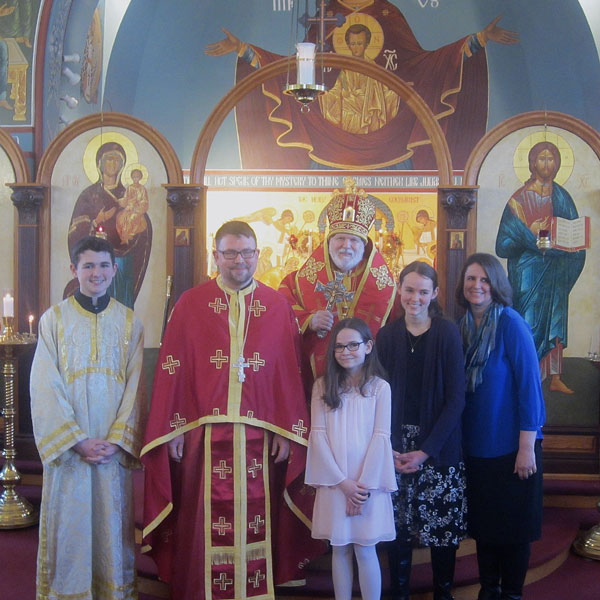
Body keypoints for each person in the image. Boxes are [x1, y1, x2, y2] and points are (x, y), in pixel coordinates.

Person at [141, 221, 323, 600]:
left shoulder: (277, 306)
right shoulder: (189, 304)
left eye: (246, 253)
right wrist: (172, 430)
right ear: (215, 256)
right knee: (201, 521)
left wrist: (287, 431)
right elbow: (172, 368)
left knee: (258, 520)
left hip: (260, 439)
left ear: (257, 256)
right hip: (201, 437)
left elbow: (288, 375)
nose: (238, 261)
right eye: (229, 253)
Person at [206, 1, 518, 170]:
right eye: (351, 41)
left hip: (388, 139)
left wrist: (477, 40)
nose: (354, 46)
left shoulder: (388, 13)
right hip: (329, 136)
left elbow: (422, 63)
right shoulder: (326, 14)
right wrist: (245, 50)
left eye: (360, 42)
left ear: (369, 42)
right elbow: (299, 68)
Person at [30, 235, 145, 600]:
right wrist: (76, 441)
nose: (96, 272)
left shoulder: (130, 324)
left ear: (115, 269)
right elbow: (46, 385)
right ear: (74, 270)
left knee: (110, 528)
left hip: (110, 451)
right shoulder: (54, 320)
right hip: (71, 453)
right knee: (71, 527)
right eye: (88, 265)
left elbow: (136, 387)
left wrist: (115, 440)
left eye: (103, 265)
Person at [455, 253, 545, 600]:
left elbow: (530, 389)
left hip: (514, 447)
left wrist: (526, 448)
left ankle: (511, 594)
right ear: (462, 286)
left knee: (514, 528)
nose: (477, 286)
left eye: (485, 280)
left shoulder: (510, 323)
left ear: (497, 285)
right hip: (477, 448)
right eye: (471, 279)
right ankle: (488, 590)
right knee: (487, 527)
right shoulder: (461, 327)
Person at [377, 261, 466, 600]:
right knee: (397, 529)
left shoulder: (447, 333)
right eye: (409, 290)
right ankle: (399, 593)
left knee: (442, 530)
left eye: (423, 292)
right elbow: (378, 395)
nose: (415, 298)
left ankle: (443, 593)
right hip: (395, 447)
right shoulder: (386, 336)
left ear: (435, 294)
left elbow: (456, 399)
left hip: (439, 447)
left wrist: (426, 450)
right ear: (400, 290)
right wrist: (391, 447)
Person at [306, 317, 397, 600]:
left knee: (365, 549)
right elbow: (318, 437)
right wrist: (343, 483)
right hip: (336, 483)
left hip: (367, 485)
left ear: (368, 346)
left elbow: (381, 437)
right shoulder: (323, 387)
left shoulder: (380, 389)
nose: (346, 352)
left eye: (353, 345)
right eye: (339, 347)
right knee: (340, 548)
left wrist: (362, 488)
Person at [279, 178, 396, 383]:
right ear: (328, 242)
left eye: (354, 240)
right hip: (315, 382)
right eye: (340, 238)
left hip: (367, 382)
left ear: (365, 245)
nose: (346, 245)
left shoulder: (386, 288)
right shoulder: (296, 282)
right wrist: (309, 320)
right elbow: (279, 313)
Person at [496, 141, 586, 394]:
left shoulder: (562, 196)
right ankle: (525, 376)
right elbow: (503, 245)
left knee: (555, 320)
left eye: (552, 159)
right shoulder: (518, 200)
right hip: (527, 274)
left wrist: (571, 242)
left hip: (556, 270)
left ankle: (554, 378)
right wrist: (530, 235)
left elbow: (573, 235)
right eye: (542, 158)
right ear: (533, 162)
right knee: (529, 322)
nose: (547, 164)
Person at [65, 141, 152, 308]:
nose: (112, 164)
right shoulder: (89, 195)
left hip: (121, 262)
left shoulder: (127, 194)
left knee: (119, 310)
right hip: (93, 262)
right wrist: (96, 222)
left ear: (122, 165)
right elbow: (75, 230)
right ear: (100, 164)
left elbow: (143, 227)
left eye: (116, 160)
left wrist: (134, 228)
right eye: (108, 160)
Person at [320, 23, 400, 134]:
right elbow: (337, 91)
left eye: (359, 43)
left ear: (366, 44)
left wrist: (397, 92)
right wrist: (323, 95)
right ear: (348, 45)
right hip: (350, 119)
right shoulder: (345, 70)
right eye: (352, 44)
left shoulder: (374, 69)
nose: (356, 48)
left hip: (370, 117)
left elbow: (384, 95)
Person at [117, 168, 150, 245]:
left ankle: (129, 235)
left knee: (132, 218)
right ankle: (124, 237)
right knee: (121, 218)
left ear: (140, 178)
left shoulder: (142, 189)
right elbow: (126, 198)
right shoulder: (130, 188)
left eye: (137, 177)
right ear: (132, 178)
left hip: (138, 209)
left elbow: (144, 201)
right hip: (129, 208)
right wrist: (121, 201)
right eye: (134, 177)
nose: (135, 179)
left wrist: (137, 208)